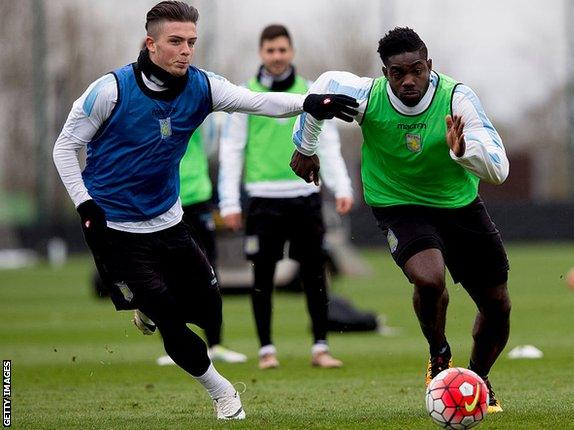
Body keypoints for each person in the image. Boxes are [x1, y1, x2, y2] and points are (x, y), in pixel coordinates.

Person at [52, 1, 357, 421]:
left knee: (209, 306)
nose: (185, 51)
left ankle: (149, 303)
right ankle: (223, 394)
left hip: (169, 219)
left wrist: (310, 102)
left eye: (191, 42)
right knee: (171, 318)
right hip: (115, 227)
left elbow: (257, 101)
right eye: (175, 41)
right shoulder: (110, 90)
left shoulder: (203, 87)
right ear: (151, 43)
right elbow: (65, 148)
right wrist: (85, 205)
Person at [290, 27, 511, 413]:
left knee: (498, 307)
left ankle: (476, 378)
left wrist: (464, 151)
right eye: (398, 73)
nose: (409, 80)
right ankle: (439, 353)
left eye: (417, 70)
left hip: (458, 204)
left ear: (430, 66)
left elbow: (499, 169)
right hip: (398, 204)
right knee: (429, 278)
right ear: (384, 72)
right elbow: (320, 90)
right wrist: (305, 147)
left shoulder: (458, 98)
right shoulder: (366, 96)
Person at [218, 24, 354, 370]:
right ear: (261, 53)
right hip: (262, 199)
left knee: (314, 272)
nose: (276, 56)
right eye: (270, 50)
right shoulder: (244, 95)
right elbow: (232, 150)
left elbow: (328, 144)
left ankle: (320, 347)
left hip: (305, 196)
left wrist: (342, 187)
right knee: (262, 276)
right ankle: (266, 350)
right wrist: (230, 203)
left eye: (282, 50)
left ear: (291, 52)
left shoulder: (312, 92)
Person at [137, 126, 248, 365]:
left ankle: (216, 343)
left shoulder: (195, 105)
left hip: (196, 196)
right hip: (163, 201)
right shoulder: (150, 111)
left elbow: (209, 144)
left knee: (208, 268)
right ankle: (175, 343)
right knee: (164, 271)